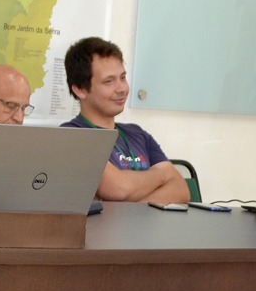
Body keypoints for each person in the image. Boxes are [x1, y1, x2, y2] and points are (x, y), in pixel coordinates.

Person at [61, 37, 189, 203]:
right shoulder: (72, 135)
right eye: (109, 81)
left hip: (147, 228)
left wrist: (129, 206)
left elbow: (181, 190)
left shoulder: (138, 134)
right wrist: (161, 175)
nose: (121, 88)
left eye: (122, 78)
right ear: (80, 90)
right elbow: (118, 189)